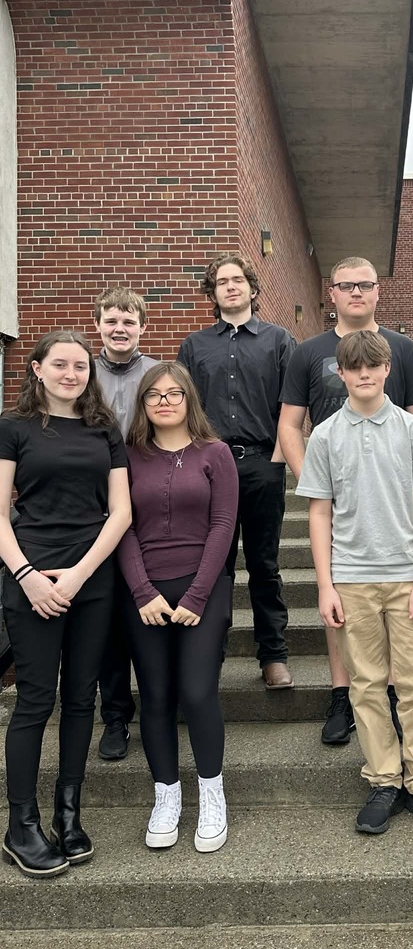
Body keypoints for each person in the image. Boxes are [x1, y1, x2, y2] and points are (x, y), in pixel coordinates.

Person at [297, 330, 413, 834]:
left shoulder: (412, 430)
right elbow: (319, 513)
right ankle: (384, 778)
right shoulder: (325, 436)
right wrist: (325, 586)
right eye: (355, 367)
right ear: (341, 373)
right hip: (352, 580)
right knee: (366, 685)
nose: (364, 374)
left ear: (387, 369)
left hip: (407, 577)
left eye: (373, 366)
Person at [279, 256, 413, 745]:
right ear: (332, 293)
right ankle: (342, 694)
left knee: (396, 622)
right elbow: (289, 424)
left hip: (392, 493)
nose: (356, 293)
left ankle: (393, 700)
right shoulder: (308, 352)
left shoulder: (402, 349)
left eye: (365, 284)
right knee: (342, 604)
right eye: (346, 286)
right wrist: (317, 484)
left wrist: (411, 483)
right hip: (337, 488)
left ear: (377, 290)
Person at [0, 331, 131, 877]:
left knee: (81, 699)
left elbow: (121, 513)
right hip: (30, 578)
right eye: (59, 364)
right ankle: (22, 825)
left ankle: (68, 814)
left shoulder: (106, 429)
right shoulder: (13, 427)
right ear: (37, 369)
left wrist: (79, 574)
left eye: (80, 365)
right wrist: (27, 576)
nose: (71, 374)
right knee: (35, 701)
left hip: (91, 579)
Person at [118, 362, 238, 853]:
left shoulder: (216, 453)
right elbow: (122, 525)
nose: (164, 401)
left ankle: (212, 795)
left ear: (189, 399)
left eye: (174, 393)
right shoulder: (128, 456)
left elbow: (223, 525)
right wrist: (142, 591)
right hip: (143, 590)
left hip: (202, 587)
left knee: (197, 691)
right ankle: (166, 796)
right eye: (154, 395)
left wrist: (196, 594)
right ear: (143, 403)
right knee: (156, 695)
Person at [178, 253, 295, 689]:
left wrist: (278, 461)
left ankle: (273, 655)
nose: (230, 286)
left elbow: (291, 408)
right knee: (213, 566)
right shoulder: (194, 347)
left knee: (264, 564)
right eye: (221, 282)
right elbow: (183, 409)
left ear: (252, 287)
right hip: (209, 468)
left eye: (237, 280)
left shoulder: (279, 341)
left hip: (262, 463)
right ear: (213, 293)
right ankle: (210, 654)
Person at [93, 287, 157, 762]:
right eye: (112, 321)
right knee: (109, 617)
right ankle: (115, 715)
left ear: (142, 327)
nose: (120, 329)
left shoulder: (157, 374)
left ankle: (162, 701)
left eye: (128, 321)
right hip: (93, 505)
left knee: (149, 604)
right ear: (98, 324)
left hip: (149, 500)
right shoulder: (82, 372)